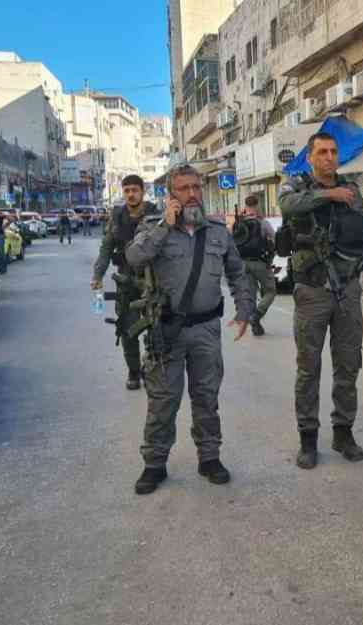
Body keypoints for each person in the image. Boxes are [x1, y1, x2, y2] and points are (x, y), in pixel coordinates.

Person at [125, 164, 254, 495]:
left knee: (206, 397)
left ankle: (209, 457)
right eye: (184, 188)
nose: (193, 193)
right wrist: (164, 227)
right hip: (166, 331)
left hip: (207, 330)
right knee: (163, 400)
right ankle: (154, 464)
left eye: (196, 187)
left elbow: (238, 273)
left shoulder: (218, 231)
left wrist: (244, 311)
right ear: (171, 195)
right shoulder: (154, 227)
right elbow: (134, 257)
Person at [278, 132, 363, 469]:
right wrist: (328, 195)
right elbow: (287, 206)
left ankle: (343, 432)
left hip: (349, 290)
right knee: (309, 369)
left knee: (348, 365)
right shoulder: (296, 185)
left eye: (333, 152)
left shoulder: (353, 190)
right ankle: (308, 438)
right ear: (310, 157)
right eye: (322, 152)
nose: (329, 157)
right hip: (312, 291)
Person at [92, 175, 158, 390]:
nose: (131, 194)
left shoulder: (155, 215)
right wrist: (97, 276)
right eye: (127, 190)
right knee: (128, 331)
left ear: (142, 191)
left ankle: (154, 370)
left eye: (135, 190)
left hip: (154, 282)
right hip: (127, 283)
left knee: (158, 329)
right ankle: (133, 371)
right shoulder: (117, 217)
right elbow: (105, 250)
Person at [233, 195, 278, 336]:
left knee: (251, 294)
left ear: (245, 206)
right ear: (258, 205)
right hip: (260, 262)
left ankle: (255, 326)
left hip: (242, 263)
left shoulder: (239, 222)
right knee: (271, 291)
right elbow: (275, 237)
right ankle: (256, 316)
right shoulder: (262, 222)